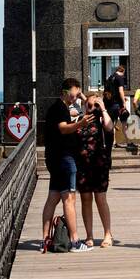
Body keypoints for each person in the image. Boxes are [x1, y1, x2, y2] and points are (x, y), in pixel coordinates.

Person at [41, 78, 93, 255]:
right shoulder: (61, 108)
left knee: (53, 198)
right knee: (69, 199)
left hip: (54, 158)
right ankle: (75, 241)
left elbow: (62, 124)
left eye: (77, 94)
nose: (75, 97)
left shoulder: (57, 108)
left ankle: (45, 239)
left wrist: (77, 115)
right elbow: (63, 128)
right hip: (65, 158)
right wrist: (81, 124)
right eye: (73, 94)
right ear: (65, 91)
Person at [76, 90, 114, 247]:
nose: (91, 107)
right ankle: (89, 235)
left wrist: (103, 108)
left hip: (99, 164)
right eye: (89, 105)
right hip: (83, 165)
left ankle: (107, 234)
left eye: (94, 105)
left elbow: (110, 127)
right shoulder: (80, 119)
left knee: (100, 198)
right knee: (85, 199)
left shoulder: (101, 118)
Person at [103, 63, 128, 158]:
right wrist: (124, 102)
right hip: (117, 104)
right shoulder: (119, 78)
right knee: (124, 121)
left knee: (112, 122)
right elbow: (121, 91)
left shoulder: (110, 77)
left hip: (109, 104)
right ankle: (128, 142)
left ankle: (113, 142)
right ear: (123, 71)